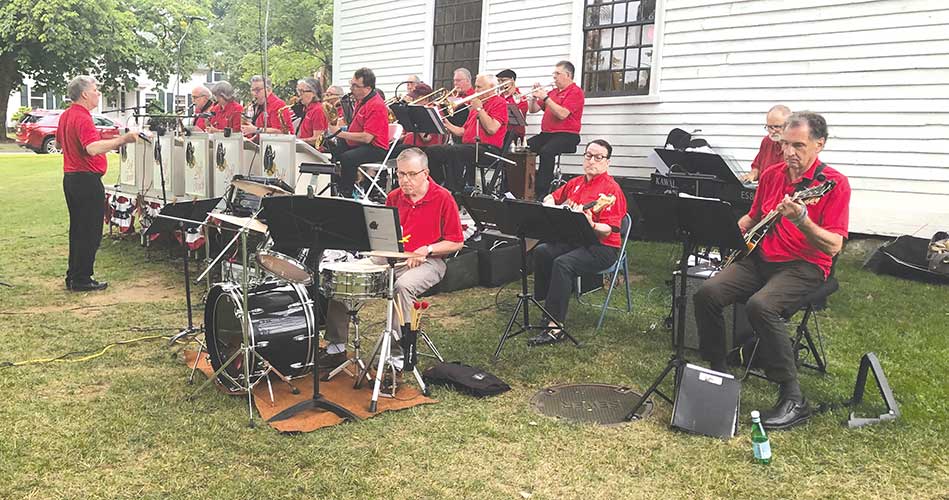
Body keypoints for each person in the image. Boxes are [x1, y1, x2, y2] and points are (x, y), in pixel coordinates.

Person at [693, 111, 851, 430]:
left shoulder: (833, 184)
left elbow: (834, 246)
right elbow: (754, 217)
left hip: (806, 265)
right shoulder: (772, 175)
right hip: (761, 257)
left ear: (819, 144)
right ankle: (719, 371)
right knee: (706, 293)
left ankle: (794, 398)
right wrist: (733, 229)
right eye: (784, 145)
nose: (789, 152)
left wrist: (802, 220)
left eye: (799, 146)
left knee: (761, 306)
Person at [320, 148, 464, 368]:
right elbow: (388, 236)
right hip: (394, 257)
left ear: (426, 173)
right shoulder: (394, 197)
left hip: (430, 261)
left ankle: (397, 354)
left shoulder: (443, 197)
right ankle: (336, 347)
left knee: (403, 286)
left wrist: (427, 249)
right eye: (400, 174)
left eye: (412, 174)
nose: (405, 180)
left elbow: (456, 241)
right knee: (343, 275)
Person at [529, 139, 627, 346]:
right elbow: (550, 198)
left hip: (603, 248)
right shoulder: (576, 183)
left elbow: (608, 230)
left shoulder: (611, 191)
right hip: (577, 241)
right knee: (543, 252)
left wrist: (591, 224)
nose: (592, 160)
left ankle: (555, 327)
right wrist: (554, 205)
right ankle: (546, 308)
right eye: (588, 155)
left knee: (563, 263)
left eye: (598, 157)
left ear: (607, 162)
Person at [57, 76, 139, 291]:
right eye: (95, 90)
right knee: (90, 230)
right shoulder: (82, 117)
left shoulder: (66, 115)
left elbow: (61, 142)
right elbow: (92, 148)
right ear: (84, 94)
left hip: (72, 178)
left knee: (78, 229)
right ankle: (82, 278)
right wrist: (124, 139)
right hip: (85, 179)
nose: (98, 93)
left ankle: (74, 275)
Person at [425, 73, 508, 191]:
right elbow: (463, 131)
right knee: (433, 151)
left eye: (479, 87)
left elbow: (491, 128)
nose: (475, 90)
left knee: (455, 151)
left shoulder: (499, 103)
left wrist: (479, 109)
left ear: (491, 88)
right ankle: (437, 187)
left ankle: (454, 191)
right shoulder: (477, 105)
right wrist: (446, 124)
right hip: (469, 146)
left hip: (488, 148)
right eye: (476, 86)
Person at [326, 67, 390, 198]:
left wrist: (339, 133)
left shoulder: (376, 105)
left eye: (355, 86)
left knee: (347, 158)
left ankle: (346, 194)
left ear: (367, 88)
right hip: (360, 144)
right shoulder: (361, 100)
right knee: (330, 150)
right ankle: (332, 187)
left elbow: (367, 138)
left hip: (376, 147)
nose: (351, 88)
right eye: (352, 84)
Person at [527, 60, 585, 200]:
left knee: (547, 151)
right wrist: (534, 98)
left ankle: (542, 192)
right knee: (525, 148)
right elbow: (532, 109)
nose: (554, 77)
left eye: (557, 74)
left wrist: (545, 98)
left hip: (567, 135)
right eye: (554, 73)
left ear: (568, 75)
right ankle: (525, 186)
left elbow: (562, 114)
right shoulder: (553, 92)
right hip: (547, 134)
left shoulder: (576, 92)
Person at [742, 105, 792, 182]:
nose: (772, 131)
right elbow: (757, 167)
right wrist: (752, 175)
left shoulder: (796, 147)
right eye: (769, 127)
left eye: (776, 127)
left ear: (789, 125)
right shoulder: (767, 141)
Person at [240, 75, 295, 139]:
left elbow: (280, 132)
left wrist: (256, 130)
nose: (254, 94)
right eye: (252, 90)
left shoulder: (278, 105)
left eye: (258, 90)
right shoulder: (258, 105)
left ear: (269, 90)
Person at [497, 69, 528, 148]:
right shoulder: (498, 96)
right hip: (499, 132)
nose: (500, 84)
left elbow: (520, 115)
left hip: (514, 134)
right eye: (499, 81)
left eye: (503, 80)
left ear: (512, 81)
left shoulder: (520, 97)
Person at [294, 77, 328, 146]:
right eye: (298, 91)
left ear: (313, 93)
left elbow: (317, 139)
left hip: (313, 151)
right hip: (304, 147)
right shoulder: (307, 108)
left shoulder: (318, 110)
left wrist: (296, 141)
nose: (299, 95)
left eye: (302, 91)